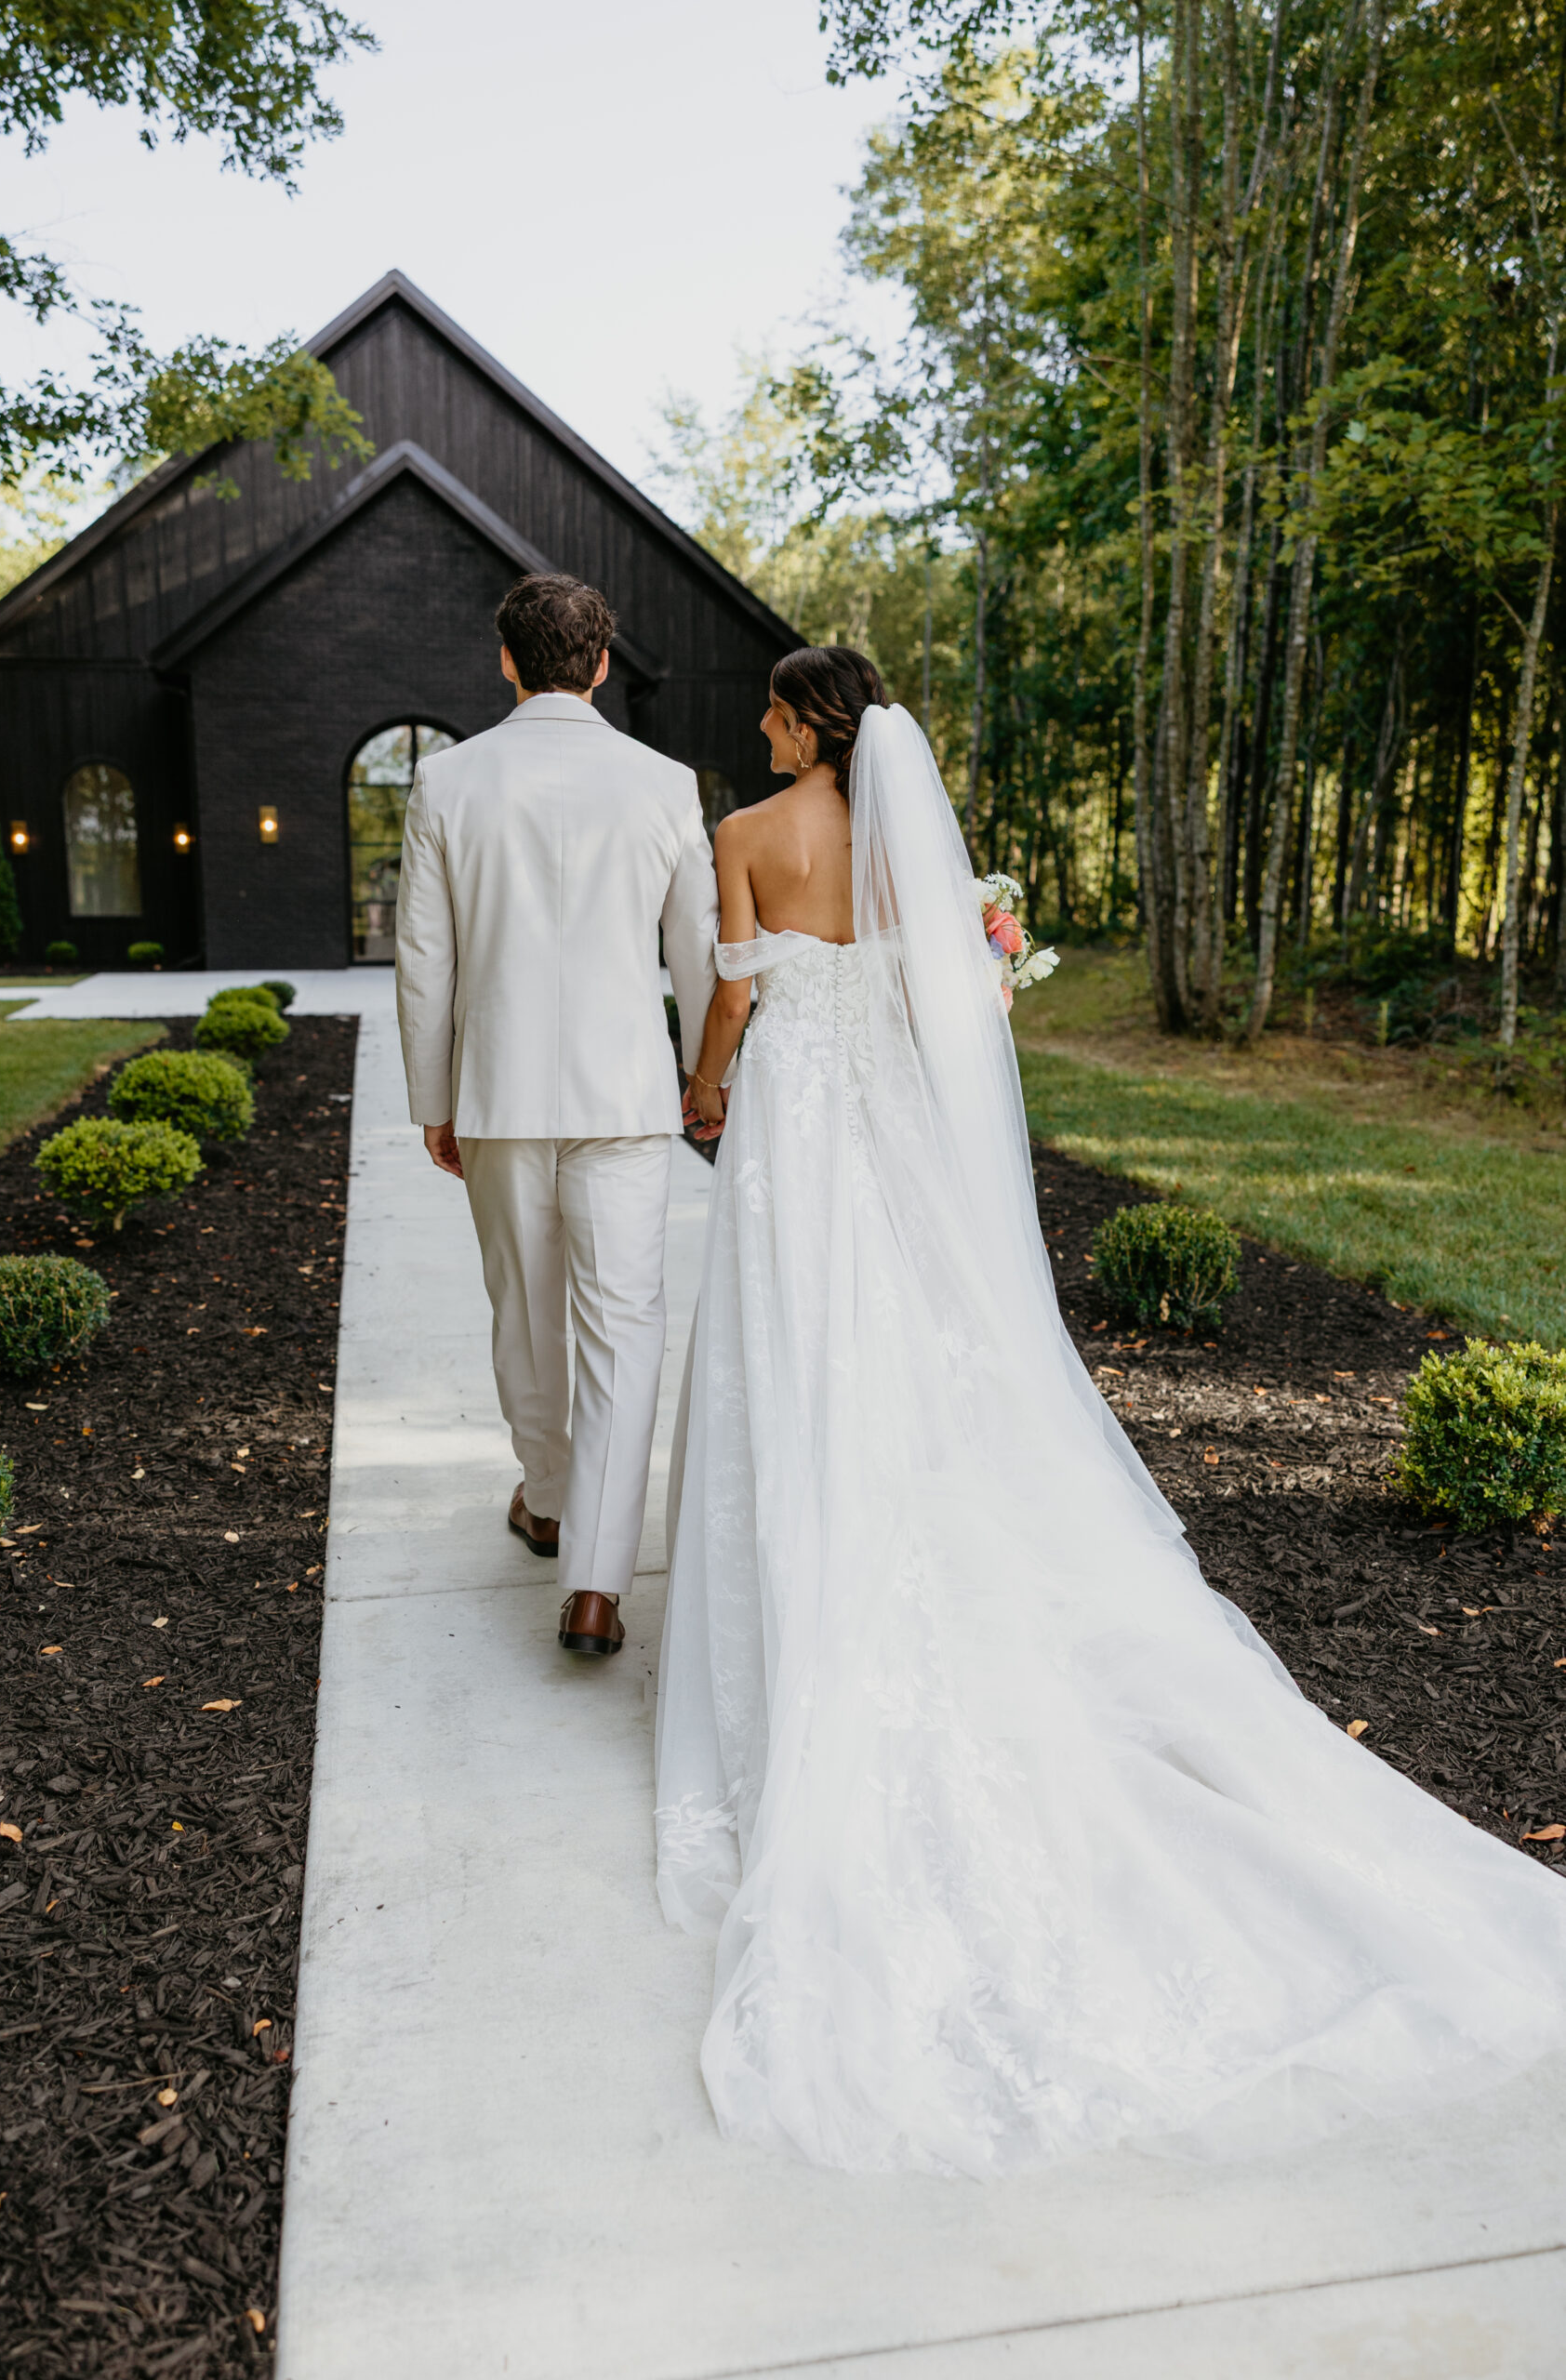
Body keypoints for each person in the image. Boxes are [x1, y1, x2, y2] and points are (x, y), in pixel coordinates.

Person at [654, 644, 1566, 2178]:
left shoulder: (744, 841)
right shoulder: (900, 858)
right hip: (887, 1165)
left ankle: (795, 1618)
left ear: (807, 723)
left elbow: (735, 1009)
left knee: (787, 1372)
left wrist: (700, 1089)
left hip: (788, 1170)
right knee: (906, 1384)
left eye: (767, 705)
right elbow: (954, 1027)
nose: (752, 723)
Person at [395, 573, 718, 1658]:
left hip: (498, 1093)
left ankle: (548, 1499)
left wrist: (434, 1100)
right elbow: (696, 955)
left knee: (526, 1315)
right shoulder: (665, 782)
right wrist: (700, 1080)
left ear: (505, 662)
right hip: (625, 1094)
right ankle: (597, 1584)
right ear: (602, 665)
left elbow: (423, 961)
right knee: (624, 1331)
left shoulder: (446, 781)